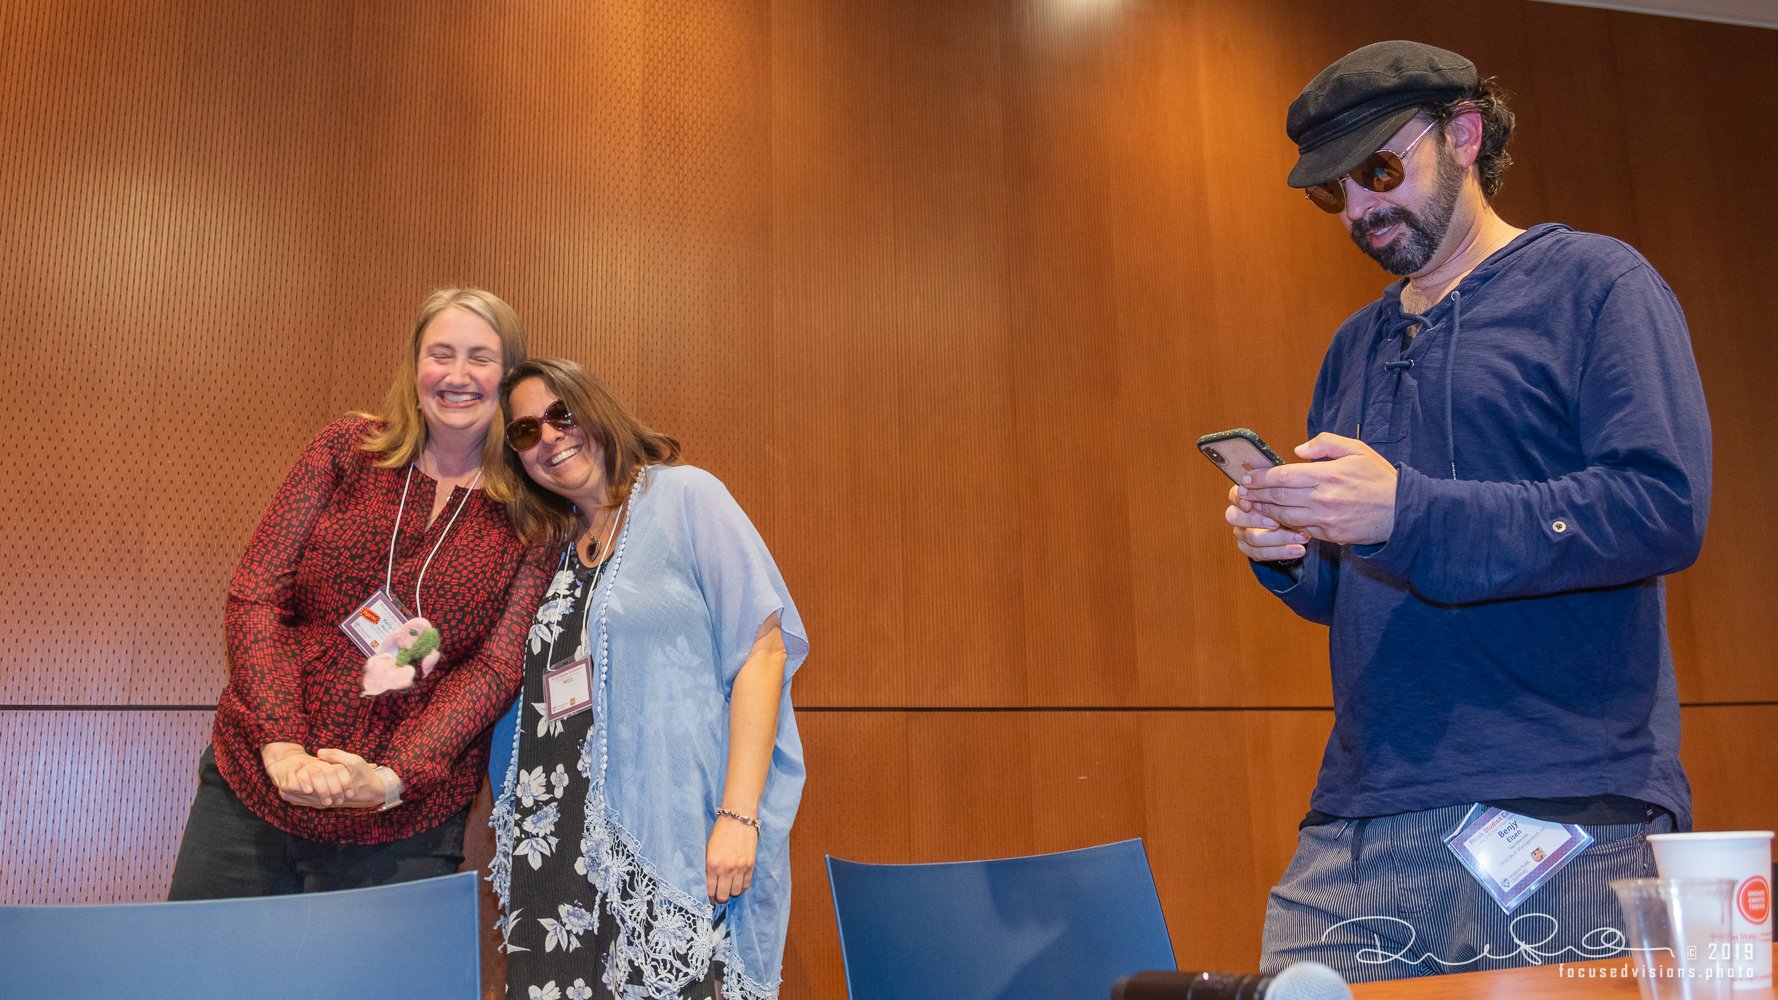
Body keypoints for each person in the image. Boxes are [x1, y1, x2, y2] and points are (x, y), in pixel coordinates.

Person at [1224, 41, 1712, 980]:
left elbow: (1662, 507)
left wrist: (1404, 510)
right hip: (1359, 824)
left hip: (1566, 813)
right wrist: (1292, 549)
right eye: (1332, 193)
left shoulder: (1596, 284)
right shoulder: (1354, 345)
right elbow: (1356, 582)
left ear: (1464, 135)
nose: (1359, 210)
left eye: (1378, 171)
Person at [167, 287, 555, 898]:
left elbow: (496, 667)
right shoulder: (346, 448)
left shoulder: (534, 514)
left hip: (402, 827)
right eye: (441, 354)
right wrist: (281, 745)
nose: (457, 375)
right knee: (202, 960)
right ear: (415, 365)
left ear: (508, 377)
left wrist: (391, 777)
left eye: (480, 358)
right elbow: (257, 595)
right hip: (253, 795)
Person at [488, 358, 808, 1000]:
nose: (548, 437)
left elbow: (763, 651)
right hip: (556, 855)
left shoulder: (685, 497)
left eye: (561, 414)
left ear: (596, 410)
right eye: (525, 431)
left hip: (672, 847)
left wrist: (739, 816)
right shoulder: (554, 548)